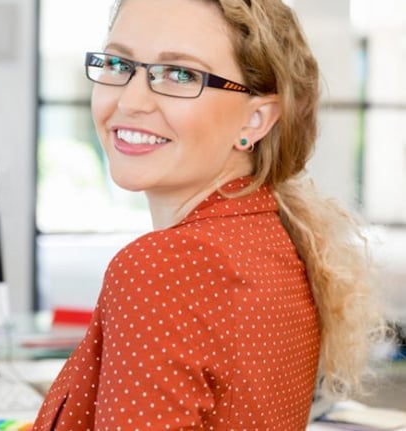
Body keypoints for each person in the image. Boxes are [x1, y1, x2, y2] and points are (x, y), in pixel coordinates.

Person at [32, 0, 389, 429]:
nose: (131, 99)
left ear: (256, 118)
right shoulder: (278, 238)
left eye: (181, 74)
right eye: (118, 63)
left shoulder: (163, 268)